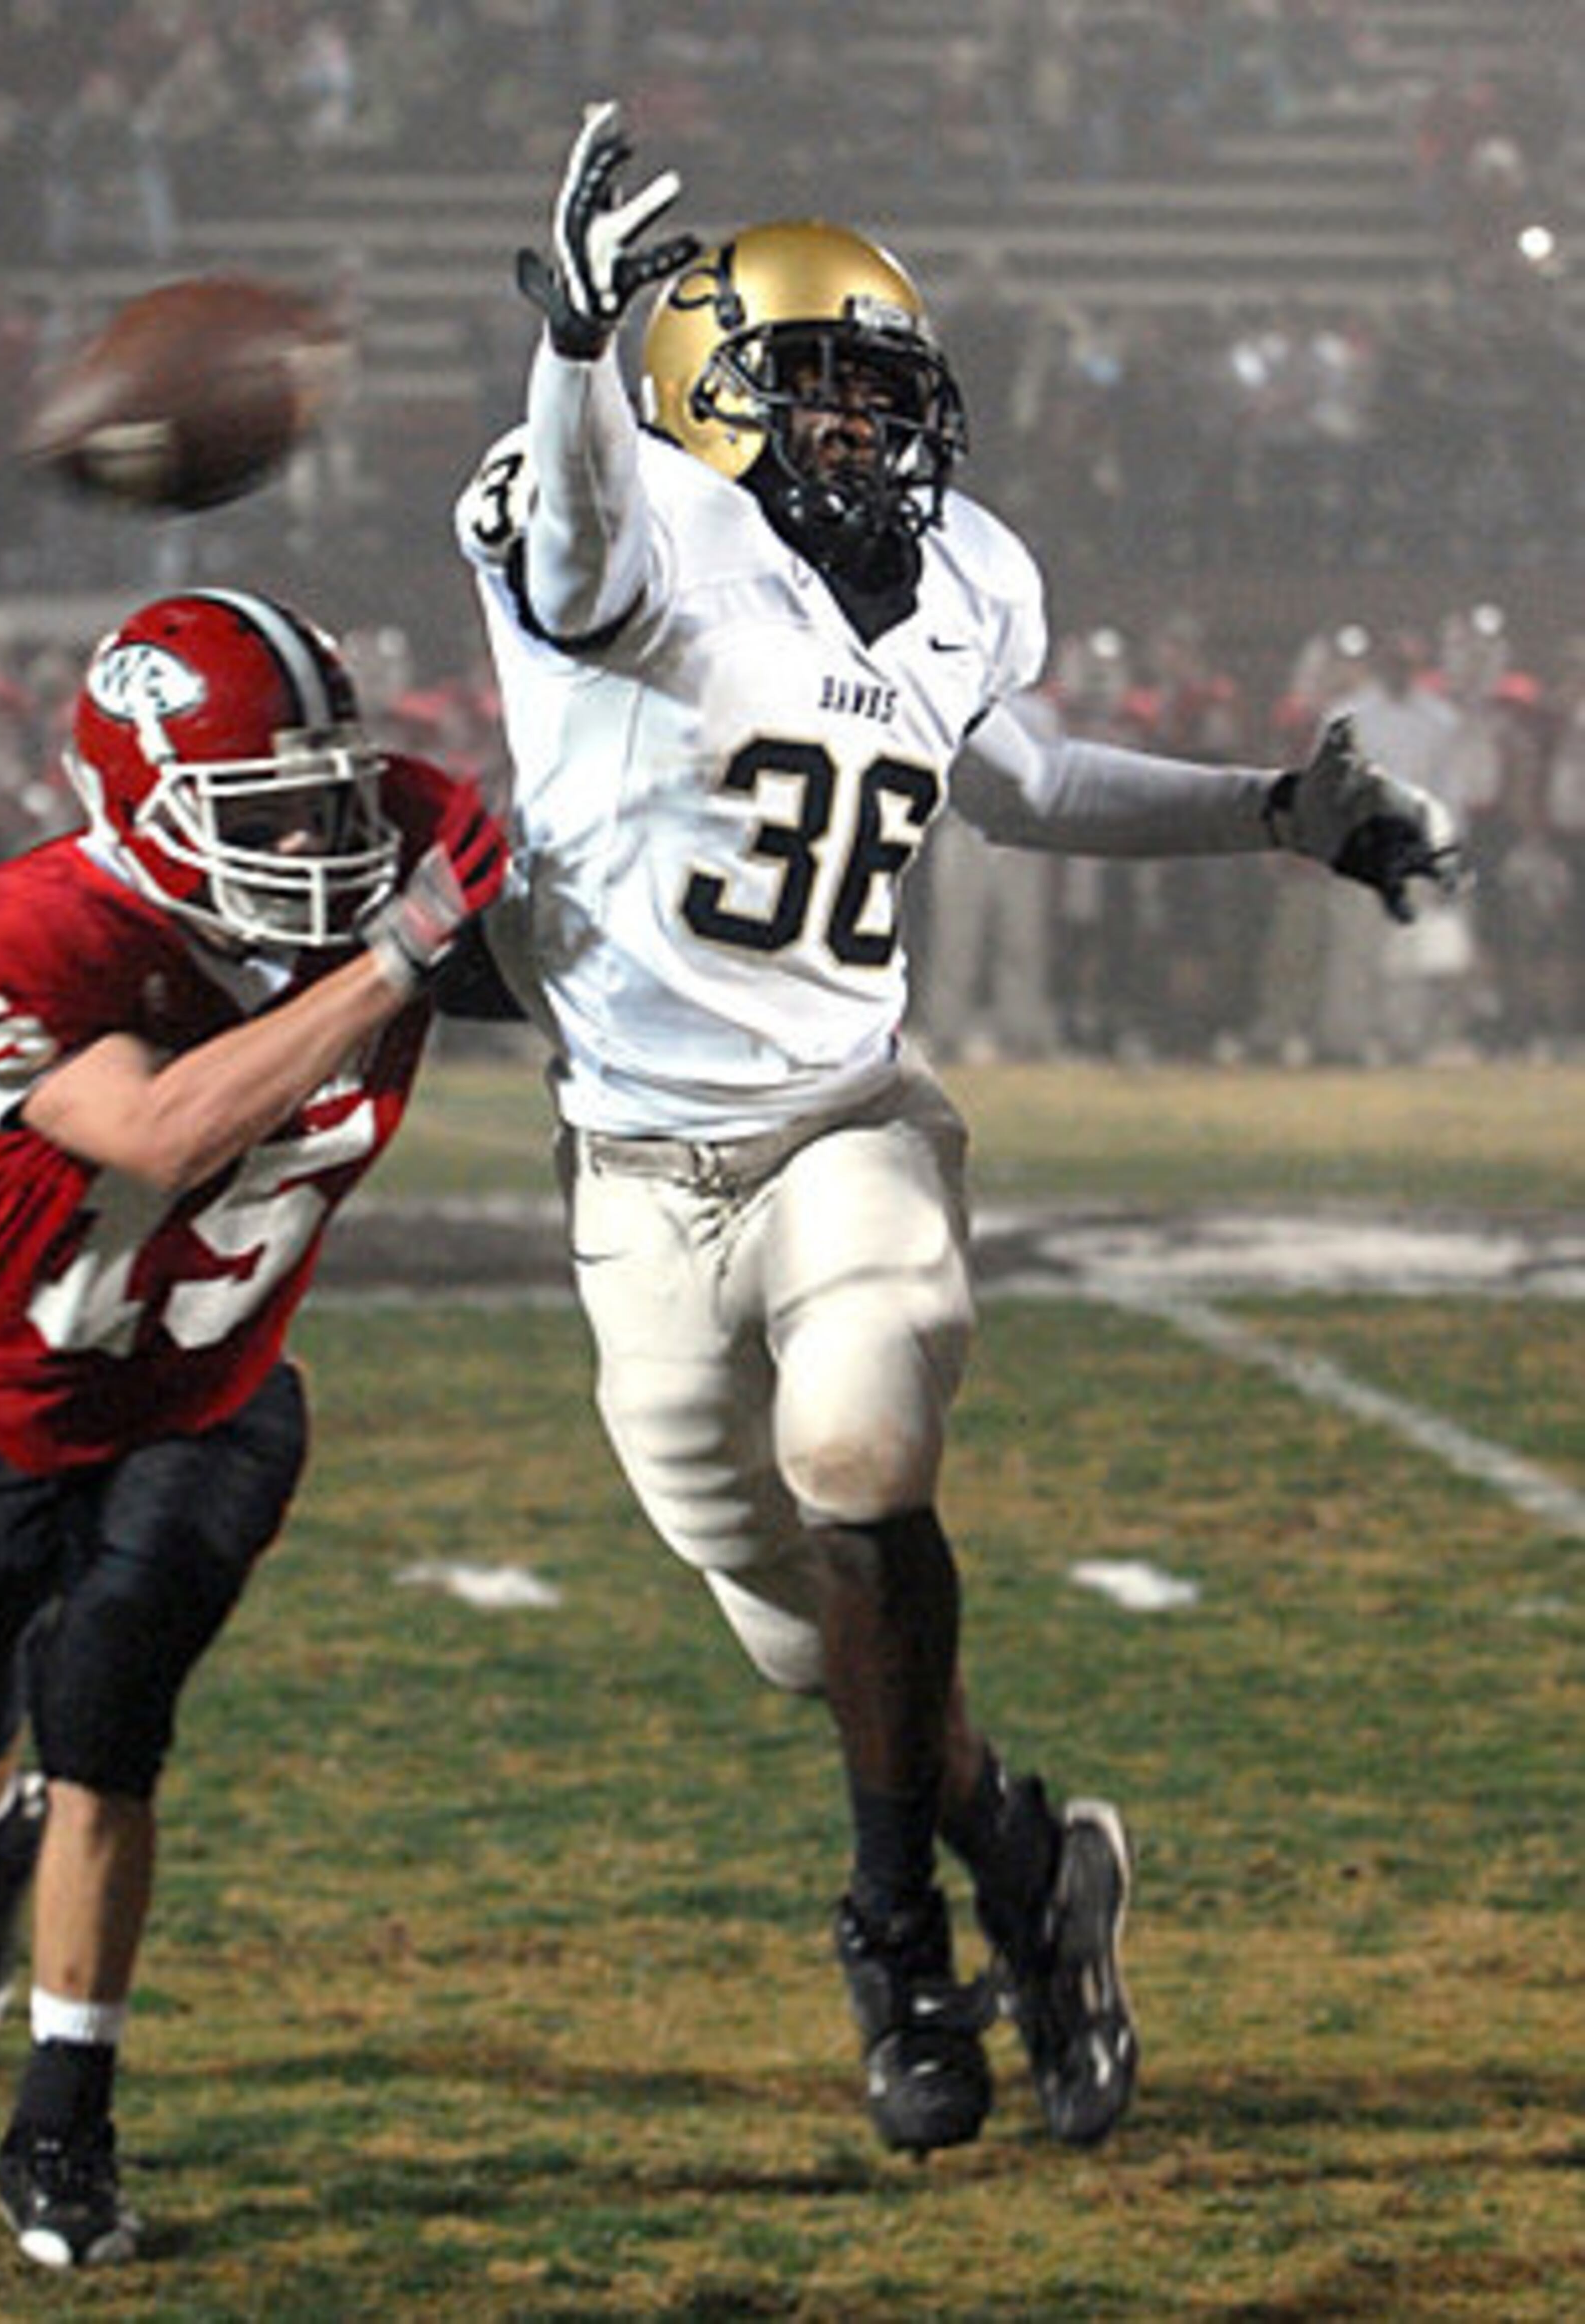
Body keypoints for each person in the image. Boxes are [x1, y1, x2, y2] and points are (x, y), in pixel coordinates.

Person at [455, 101, 1464, 2160]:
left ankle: (896, 1945)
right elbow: (572, 564)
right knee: (798, 1633)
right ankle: (1029, 1867)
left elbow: (1023, 776)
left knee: (862, 1463)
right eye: (807, 387)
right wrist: (569, 349)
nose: (855, 433)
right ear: (689, 396)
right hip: (638, 1171)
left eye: (878, 391)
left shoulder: (959, 578)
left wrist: (1265, 811)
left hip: (850, 1121)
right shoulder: (620, 507)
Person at [0, 587, 506, 2267]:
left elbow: (555, 872)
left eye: (329, 796)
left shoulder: (399, 848)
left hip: (215, 1398)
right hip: (8, 1393)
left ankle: (63, 2116)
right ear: (135, 809)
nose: (318, 837)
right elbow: (156, 1131)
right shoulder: (9, 938)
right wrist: (392, 961)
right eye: (265, 810)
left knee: (105, 1720)